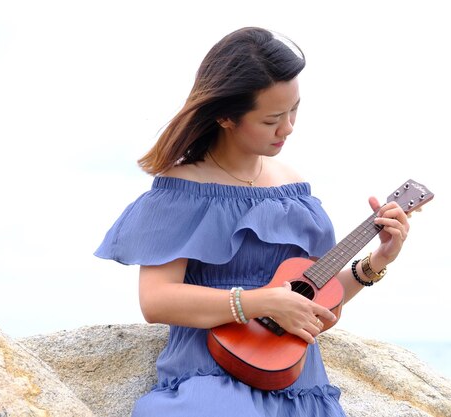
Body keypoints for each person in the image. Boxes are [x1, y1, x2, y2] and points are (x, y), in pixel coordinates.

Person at [95, 27, 411, 417]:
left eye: (295, 109)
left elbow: (315, 301)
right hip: (210, 378)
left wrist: (378, 260)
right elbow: (156, 300)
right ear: (226, 116)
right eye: (272, 119)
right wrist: (261, 301)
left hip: (300, 386)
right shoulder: (181, 189)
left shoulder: (294, 189)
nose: (288, 127)